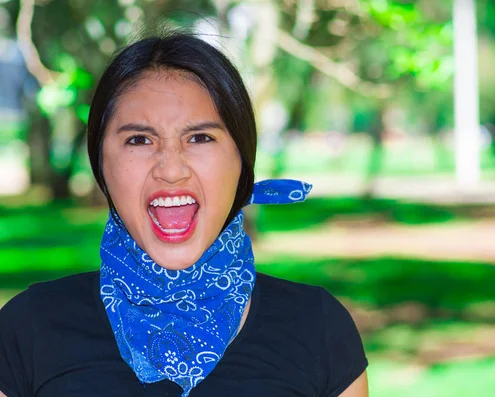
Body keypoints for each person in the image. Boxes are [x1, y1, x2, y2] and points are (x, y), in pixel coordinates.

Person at [0, 32, 368, 397]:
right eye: (139, 140)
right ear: (101, 164)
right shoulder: (28, 328)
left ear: (242, 159)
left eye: (200, 138)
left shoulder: (318, 328)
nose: (171, 169)